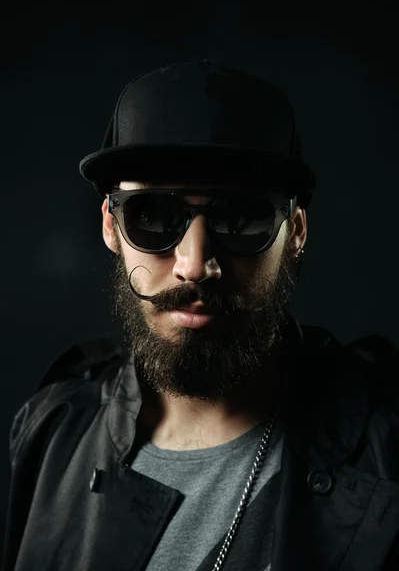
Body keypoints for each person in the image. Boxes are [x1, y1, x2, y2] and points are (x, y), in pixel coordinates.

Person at [2, 59, 399, 571]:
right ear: (110, 226)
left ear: (296, 231)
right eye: (152, 217)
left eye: (241, 217)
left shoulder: (385, 454)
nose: (195, 265)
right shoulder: (52, 433)